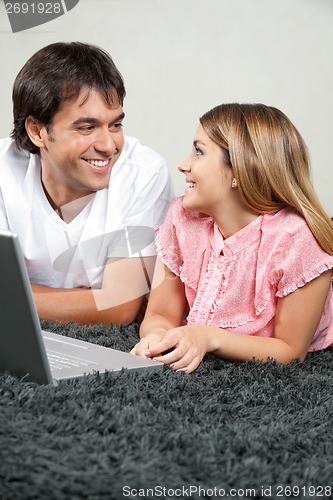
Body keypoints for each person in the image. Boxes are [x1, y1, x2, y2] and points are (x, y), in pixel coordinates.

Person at [132, 103, 333, 372]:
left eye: (199, 152)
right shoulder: (181, 219)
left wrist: (208, 337)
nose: (183, 165)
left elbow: (290, 349)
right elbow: (160, 314)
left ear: (239, 170)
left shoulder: (297, 240)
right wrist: (156, 337)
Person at [0, 42, 173, 326]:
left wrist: (16, 294)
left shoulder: (144, 174)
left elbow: (119, 308)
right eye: (86, 127)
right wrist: (87, 299)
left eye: (115, 125)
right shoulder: (3, 170)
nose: (108, 146)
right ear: (37, 131)